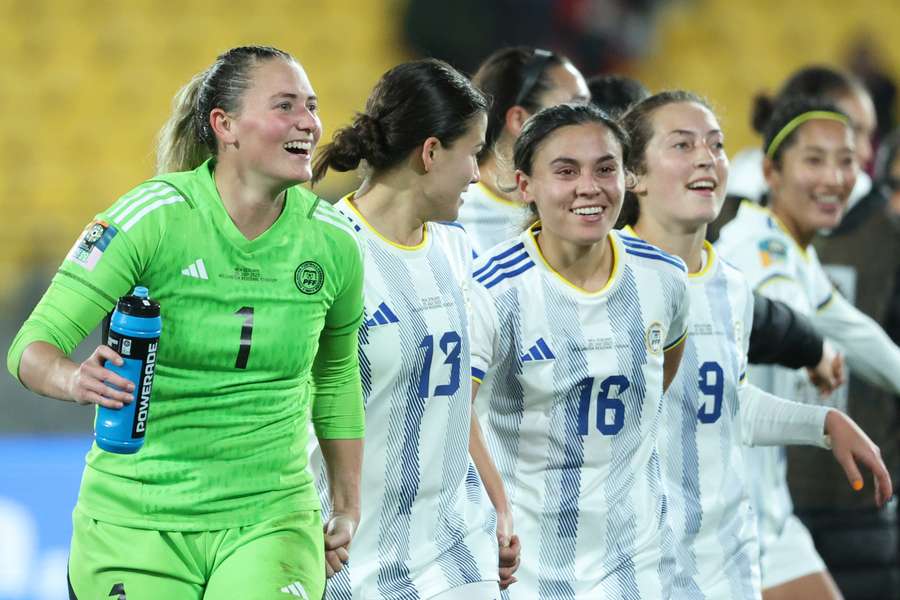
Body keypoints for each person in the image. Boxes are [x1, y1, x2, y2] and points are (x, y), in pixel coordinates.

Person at [6, 46, 365, 600]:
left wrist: (345, 506)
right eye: (286, 105)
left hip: (269, 520)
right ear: (225, 126)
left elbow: (337, 377)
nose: (309, 123)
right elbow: (31, 346)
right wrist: (73, 380)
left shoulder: (335, 243)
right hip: (135, 520)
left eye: (312, 107)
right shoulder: (150, 220)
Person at [618, 90, 891, 599]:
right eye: (682, 145)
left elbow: (723, 403)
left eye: (715, 145)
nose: (705, 156)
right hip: (638, 559)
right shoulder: (610, 280)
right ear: (633, 175)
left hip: (729, 547)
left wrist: (824, 424)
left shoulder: (729, 285)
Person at [309, 58, 517, 600]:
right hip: (347, 560)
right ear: (430, 152)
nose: (477, 174)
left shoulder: (457, 251)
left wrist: (499, 503)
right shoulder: (326, 249)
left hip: (453, 554)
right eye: (472, 152)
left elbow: (454, 398)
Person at [470, 102, 689, 598]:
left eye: (605, 169)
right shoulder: (492, 291)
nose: (589, 187)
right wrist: (498, 512)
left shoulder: (665, 279)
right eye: (565, 171)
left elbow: (662, 373)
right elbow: (455, 414)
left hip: (637, 566)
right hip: (525, 570)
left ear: (627, 178)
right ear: (525, 186)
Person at [717, 96, 900, 599]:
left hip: (769, 512)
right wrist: (811, 348)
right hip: (723, 517)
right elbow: (778, 304)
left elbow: (859, 334)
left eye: (846, 161)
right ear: (772, 170)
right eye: (814, 160)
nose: (834, 178)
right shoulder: (756, 247)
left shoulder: (794, 249)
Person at [457, 46, 590, 255]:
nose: (593, 124)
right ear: (520, 119)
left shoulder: (587, 207)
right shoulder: (451, 214)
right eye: (576, 109)